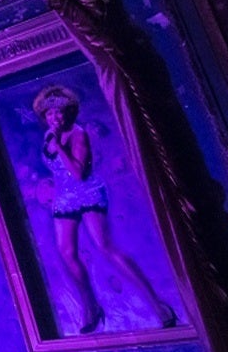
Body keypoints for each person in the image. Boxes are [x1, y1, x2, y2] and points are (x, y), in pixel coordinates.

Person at [34, 84, 176, 333]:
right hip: (65, 196)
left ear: (67, 113)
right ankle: (90, 307)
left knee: (104, 246)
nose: (54, 118)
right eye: (49, 114)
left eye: (58, 112)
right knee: (66, 252)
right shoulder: (49, 135)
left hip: (88, 191)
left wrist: (60, 147)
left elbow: (78, 173)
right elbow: (56, 170)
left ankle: (157, 304)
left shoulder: (78, 134)